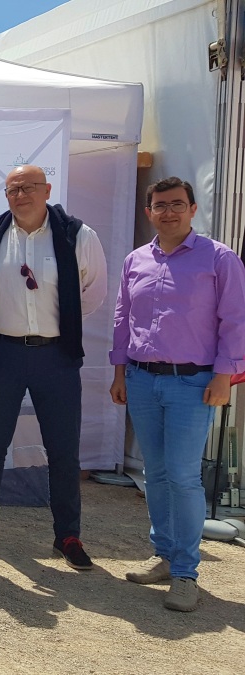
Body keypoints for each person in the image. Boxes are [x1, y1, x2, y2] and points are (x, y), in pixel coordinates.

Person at [109, 176, 245, 612]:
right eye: (160, 205)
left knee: (184, 477)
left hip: (194, 383)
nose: (168, 212)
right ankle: (164, 555)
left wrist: (224, 377)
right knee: (156, 472)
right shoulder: (136, 260)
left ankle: (186, 572)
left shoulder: (220, 259)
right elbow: (121, 317)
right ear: (148, 212)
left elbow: (236, 322)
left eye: (177, 204)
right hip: (142, 379)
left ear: (192, 209)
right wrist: (119, 373)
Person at [0, 164, 107, 569]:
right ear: (6, 195)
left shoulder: (79, 235)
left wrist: (60, 328)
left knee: (63, 450)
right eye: (13, 189)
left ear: (47, 189)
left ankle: (68, 535)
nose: (21, 195)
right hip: (2, 354)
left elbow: (93, 292)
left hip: (56, 357)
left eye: (29, 187)